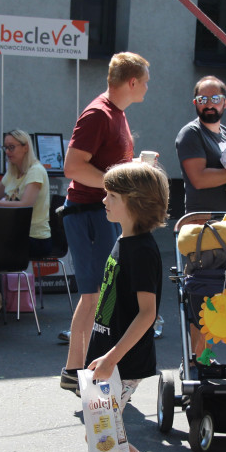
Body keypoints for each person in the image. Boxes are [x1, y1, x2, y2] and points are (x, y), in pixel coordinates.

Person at [69, 161, 193, 452]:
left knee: (103, 440)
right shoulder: (124, 241)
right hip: (107, 359)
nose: (104, 199)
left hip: (120, 363)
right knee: (109, 438)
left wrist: (111, 359)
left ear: (134, 203)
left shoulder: (141, 250)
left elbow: (147, 314)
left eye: (112, 195)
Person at [59, 52, 150, 396]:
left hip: (102, 213)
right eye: (144, 80)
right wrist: (118, 183)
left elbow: (106, 165)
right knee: (95, 295)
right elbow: (73, 167)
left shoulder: (117, 113)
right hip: (87, 214)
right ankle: (74, 370)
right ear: (131, 82)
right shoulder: (98, 113)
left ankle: (79, 369)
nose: (147, 86)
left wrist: (133, 168)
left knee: (100, 295)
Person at [176, 76, 226, 213]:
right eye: (202, 100)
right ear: (195, 103)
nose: (209, 105)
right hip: (202, 224)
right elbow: (199, 179)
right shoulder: (191, 133)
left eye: (215, 99)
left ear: (225, 102)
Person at [0, 129, 52, 259]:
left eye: (11, 147)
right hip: (16, 233)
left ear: (25, 147)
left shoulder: (36, 170)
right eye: (6, 148)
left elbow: (25, 205)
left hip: (35, 238)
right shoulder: (12, 172)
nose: (7, 152)